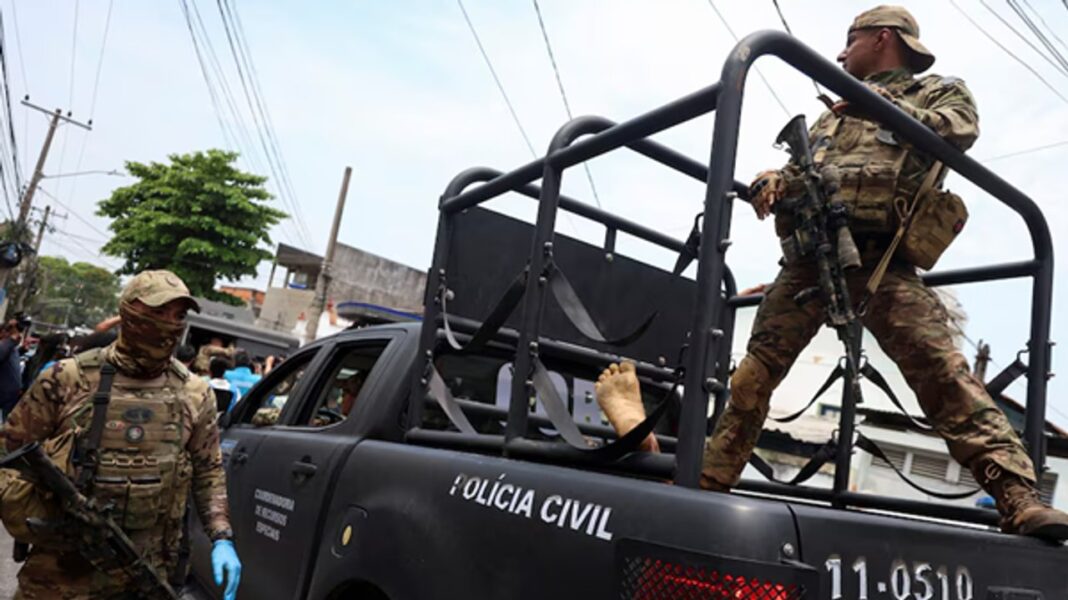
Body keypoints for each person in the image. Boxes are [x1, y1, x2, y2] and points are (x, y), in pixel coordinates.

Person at [595, 5, 1068, 541]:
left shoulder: (934, 91)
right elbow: (807, 173)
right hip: (808, 263)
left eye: (850, 41)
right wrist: (775, 179)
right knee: (753, 376)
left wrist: (874, 105)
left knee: (943, 376)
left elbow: (959, 129)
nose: (841, 55)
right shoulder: (830, 117)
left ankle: (1018, 499)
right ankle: (706, 485)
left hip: (881, 263)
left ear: (883, 39)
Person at [1, 270, 242, 599]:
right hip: (59, 575)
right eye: (158, 313)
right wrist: (42, 518)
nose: (170, 324)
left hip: (144, 574)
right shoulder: (67, 379)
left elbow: (208, 471)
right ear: (129, 312)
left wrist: (222, 537)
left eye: (179, 316)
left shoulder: (195, 393)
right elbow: (7, 457)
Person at [0, 319, 23, 420]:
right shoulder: (5, 344)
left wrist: (22, 350)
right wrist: (11, 340)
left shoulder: (10, 346)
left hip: (10, 395)